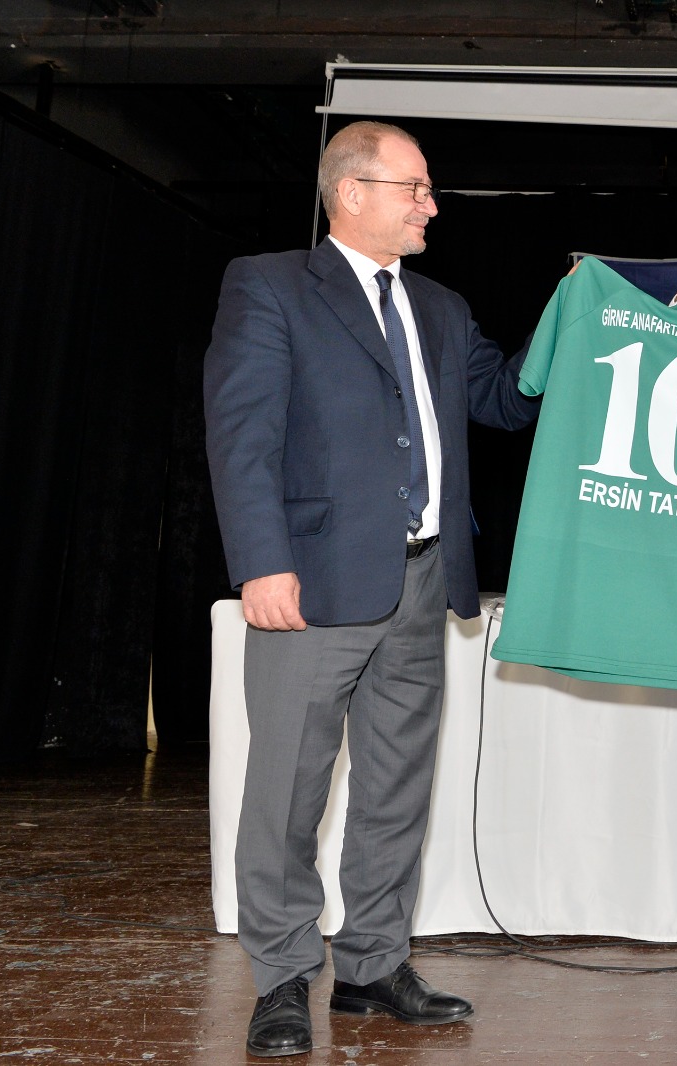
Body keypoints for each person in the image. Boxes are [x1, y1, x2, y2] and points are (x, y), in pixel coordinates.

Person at [203, 120, 539, 1058]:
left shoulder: (441, 306)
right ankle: (281, 976)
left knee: (396, 788)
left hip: (423, 578)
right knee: (287, 790)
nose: (431, 206)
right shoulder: (270, 285)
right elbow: (241, 435)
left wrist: (578, 316)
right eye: (415, 188)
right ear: (352, 193)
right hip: (311, 580)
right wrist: (261, 562)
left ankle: (372, 966)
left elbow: (506, 399)